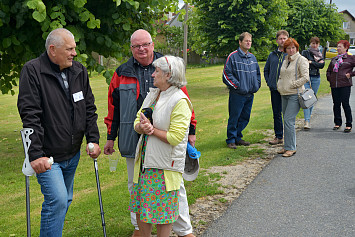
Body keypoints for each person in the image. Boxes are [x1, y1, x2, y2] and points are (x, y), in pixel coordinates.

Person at [104, 29, 197, 237]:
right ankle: (139, 231)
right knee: (136, 187)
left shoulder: (168, 69)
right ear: (131, 49)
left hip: (163, 150)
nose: (141, 49)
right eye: (136, 46)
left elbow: (184, 111)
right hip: (135, 142)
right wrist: (112, 136)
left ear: (152, 45)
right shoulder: (122, 72)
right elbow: (114, 107)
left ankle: (185, 231)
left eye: (145, 44)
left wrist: (191, 130)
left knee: (172, 192)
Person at [17, 28, 101, 236]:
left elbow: (88, 108)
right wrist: (35, 154)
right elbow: (30, 114)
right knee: (58, 200)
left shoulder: (78, 71)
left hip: (72, 153)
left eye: (75, 48)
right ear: (53, 50)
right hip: (47, 155)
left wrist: (93, 139)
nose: (74, 53)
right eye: (69, 49)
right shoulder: (33, 71)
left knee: (64, 200)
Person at [130, 55, 192, 237]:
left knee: (163, 216)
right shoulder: (154, 94)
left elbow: (175, 137)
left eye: (157, 71)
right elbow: (136, 121)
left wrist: (151, 130)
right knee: (142, 210)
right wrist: (141, 126)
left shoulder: (180, 100)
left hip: (164, 168)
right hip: (145, 165)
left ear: (169, 74)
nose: (152, 75)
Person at [222, 32, 261, 149]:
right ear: (240, 42)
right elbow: (226, 74)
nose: (248, 43)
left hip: (250, 94)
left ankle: (238, 137)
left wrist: (256, 85)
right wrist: (237, 86)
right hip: (237, 94)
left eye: (250, 41)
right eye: (246, 41)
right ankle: (231, 139)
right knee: (234, 117)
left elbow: (258, 74)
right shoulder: (233, 57)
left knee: (245, 117)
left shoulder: (252, 58)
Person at [277, 38, 309, 157]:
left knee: (288, 120)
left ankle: (291, 148)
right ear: (285, 49)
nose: (291, 50)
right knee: (286, 120)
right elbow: (282, 75)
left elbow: (305, 77)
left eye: (293, 48)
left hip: (295, 94)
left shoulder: (301, 60)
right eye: (289, 48)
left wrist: (292, 84)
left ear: (297, 48)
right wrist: (279, 85)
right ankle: (287, 146)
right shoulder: (286, 60)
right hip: (284, 94)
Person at [264, 30, 289, 145]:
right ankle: (278, 136)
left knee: (288, 114)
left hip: (287, 90)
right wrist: (269, 82)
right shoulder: (272, 55)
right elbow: (266, 70)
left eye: (284, 38)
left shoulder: (290, 55)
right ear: (276, 40)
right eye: (280, 38)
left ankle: (289, 138)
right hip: (274, 89)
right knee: (276, 113)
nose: (282, 40)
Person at [326, 40, 355, 133]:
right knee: (336, 104)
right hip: (334, 85)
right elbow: (328, 71)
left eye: (340, 47)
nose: (337, 48)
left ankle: (349, 124)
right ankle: (337, 123)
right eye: (337, 46)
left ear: (346, 48)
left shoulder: (351, 58)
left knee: (345, 104)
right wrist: (330, 78)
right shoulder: (334, 59)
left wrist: (350, 74)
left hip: (345, 84)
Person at [301, 37, 325, 129]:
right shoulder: (305, 52)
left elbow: (322, 65)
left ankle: (307, 119)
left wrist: (312, 62)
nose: (314, 45)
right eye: (313, 43)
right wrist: (314, 63)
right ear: (310, 43)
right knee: (307, 99)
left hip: (316, 77)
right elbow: (305, 63)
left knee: (312, 99)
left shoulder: (320, 53)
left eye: (316, 43)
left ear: (318, 44)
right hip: (307, 78)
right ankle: (307, 121)